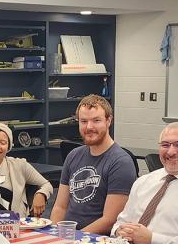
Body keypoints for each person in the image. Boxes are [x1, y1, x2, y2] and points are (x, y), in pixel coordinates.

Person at [49, 94, 136, 233]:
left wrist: (74, 238)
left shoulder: (121, 162)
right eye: (83, 121)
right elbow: (60, 207)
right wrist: (53, 234)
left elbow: (110, 220)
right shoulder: (73, 155)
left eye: (96, 120)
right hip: (68, 236)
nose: (89, 127)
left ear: (109, 121)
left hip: (98, 242)